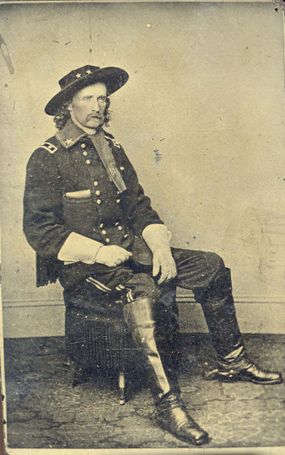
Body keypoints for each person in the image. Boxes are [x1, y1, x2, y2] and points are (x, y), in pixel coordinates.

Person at [23, 64, 282, 446]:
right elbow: (39, 229)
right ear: (68, 106)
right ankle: (168, 404)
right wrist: (97, 251)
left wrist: (159, 246)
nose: (99, 104)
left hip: (132, 250)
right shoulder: (47, 157)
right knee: (141, 291)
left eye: (102, 97)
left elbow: (138, 206)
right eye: (88, 98)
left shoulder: (112, 148)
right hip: (85, 266)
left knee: (210, 266)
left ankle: (232, 360)